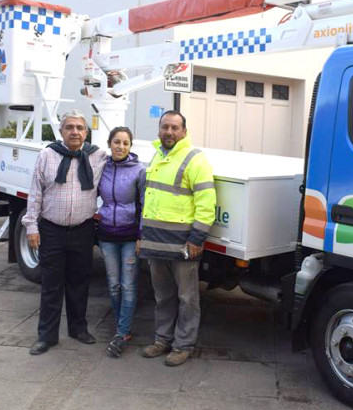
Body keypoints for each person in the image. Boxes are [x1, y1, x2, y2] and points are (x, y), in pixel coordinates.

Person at [23, 109, 107, 355]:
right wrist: (31, 226)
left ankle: (78, 329)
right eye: (69, 127)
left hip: (82, 229)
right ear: (61, 132)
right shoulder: (47, 156)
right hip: (51, 230)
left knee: (79, 282)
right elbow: (35, 193)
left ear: (86, 133)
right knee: (51, 284)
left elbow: (122, 162)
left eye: (80, 128)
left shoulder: (98, 156)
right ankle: (46, 336)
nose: (75, 132)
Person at [139, 110, 216, 367]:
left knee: (187, 298)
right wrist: (143, 236)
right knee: (163, 296)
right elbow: (150, 200)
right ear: (159, 129)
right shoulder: (157, 156)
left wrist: (196, 240)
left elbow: (207, 204)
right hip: (155, 242)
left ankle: (183, 345)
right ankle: (162, 340)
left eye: (174, 127)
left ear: (184, 131)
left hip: (183, 244)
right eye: (165, 127)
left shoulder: (195, 159)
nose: (169, 132)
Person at [97, 126, 146, 358]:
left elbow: (145, 205)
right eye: (117, 142)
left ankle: (122, 331)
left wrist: (140, 235)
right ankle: (121, 328)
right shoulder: (102, 168)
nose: (121, 147)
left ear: (130, 146)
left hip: (129, 236)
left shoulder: (139, 171)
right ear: (109, 143)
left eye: (126, 143)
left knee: (128, 285)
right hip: (107, 233)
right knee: (113, 283)